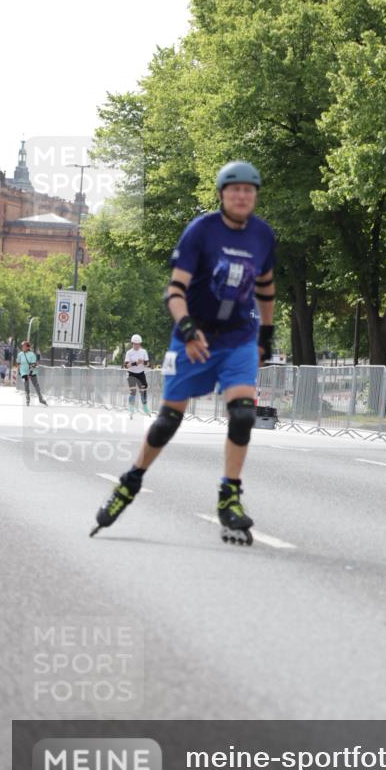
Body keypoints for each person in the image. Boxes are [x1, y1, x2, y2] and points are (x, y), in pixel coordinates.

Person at [92, 160, 276, 544]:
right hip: (194, 336)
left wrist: (267, 335)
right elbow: (174, 291)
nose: (242, 196)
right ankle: (130, 481)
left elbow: (266, 288)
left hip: (239, 336)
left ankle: (230, 498)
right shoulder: (201, 232)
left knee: (242, 415)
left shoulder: (263, 236)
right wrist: (187, 327)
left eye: (249, 190)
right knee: (167, 421)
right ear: (223, 195)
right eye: (234, 190)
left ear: (255, 196)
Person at [124, 333, 152, 418]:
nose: (137, 346)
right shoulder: (129, 353)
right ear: (132, 344)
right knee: (133, 391)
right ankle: (131, 408)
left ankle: (145, 406)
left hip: (141, 373)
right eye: (135, 344)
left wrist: (143, 362)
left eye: (138, 344)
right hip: (131, 373)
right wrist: (135, 363)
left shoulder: (143, 352)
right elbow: (126, 366)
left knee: (143, 391)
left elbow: (148, 364)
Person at [16, 341, 47, 406]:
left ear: (28, 347)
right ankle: (28, 399)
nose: (23, 347)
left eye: (24, 346)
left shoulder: (32, 354)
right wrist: (20, 371)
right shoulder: (20, 354)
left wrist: (30, 373)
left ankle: (41, 399)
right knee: (26, 385)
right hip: (23, 372)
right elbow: (18, 363)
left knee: (36, 385)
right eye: (22, 346)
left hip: (32, 371)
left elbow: (33, 364)